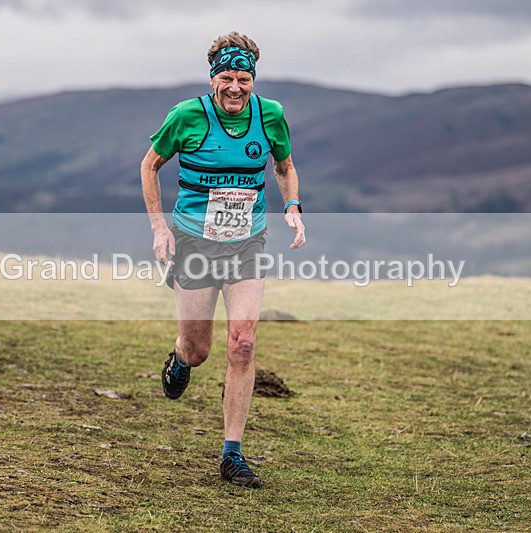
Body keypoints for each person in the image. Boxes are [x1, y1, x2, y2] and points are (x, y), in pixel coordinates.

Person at [140, 31, 305, 488]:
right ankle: (178, 358)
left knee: (243, 344)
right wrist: (158, 228)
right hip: (194, 243)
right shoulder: (187, 116)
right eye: (227, 78)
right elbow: (149, 164)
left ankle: (232, 453)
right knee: (199, 351)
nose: (235, 87)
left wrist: (292, 206)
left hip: (246, 244)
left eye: (244, 79)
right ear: (213, 78)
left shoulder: (270, 115)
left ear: (254, 81)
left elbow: (285, 166)